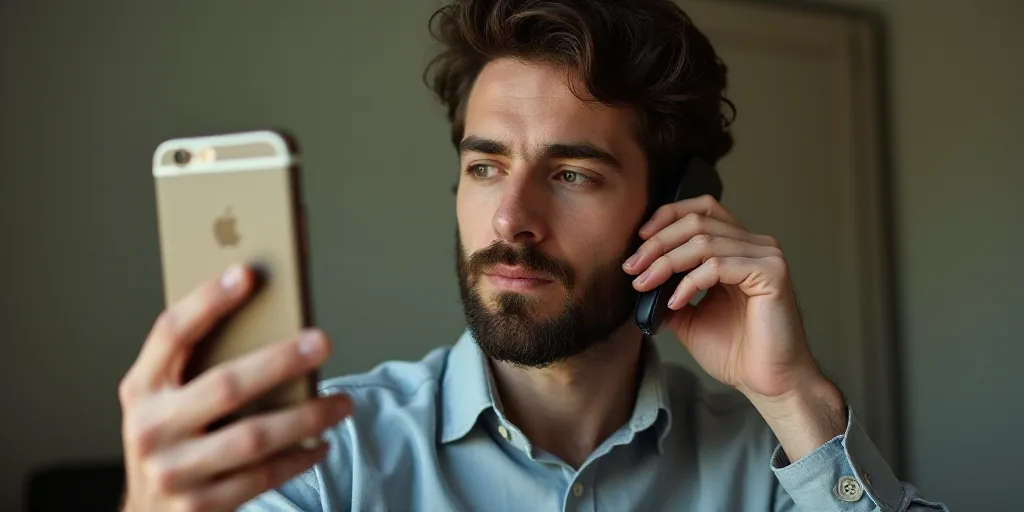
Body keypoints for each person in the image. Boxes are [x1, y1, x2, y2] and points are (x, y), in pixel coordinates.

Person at [117, 1, 948, 510]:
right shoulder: (325, 459)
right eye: (485, 167)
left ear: (670, 208)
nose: (511, 219)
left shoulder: (772, 466)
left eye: (572, 174)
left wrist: (795, 396)